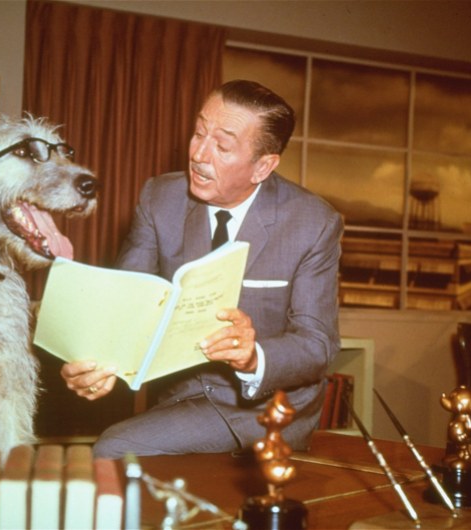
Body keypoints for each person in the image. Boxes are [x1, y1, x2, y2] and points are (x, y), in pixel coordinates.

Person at [61, 79, 343, 458]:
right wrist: (96, 362)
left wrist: (252, 354)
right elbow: (128, 300)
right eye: (198, 133)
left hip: (268, 408)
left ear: (263, 166)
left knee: (114, 448)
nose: (199, 154)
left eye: (222, 146)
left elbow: (317, 345)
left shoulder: (312, 221)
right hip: (181, 397)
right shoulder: (160, 198)